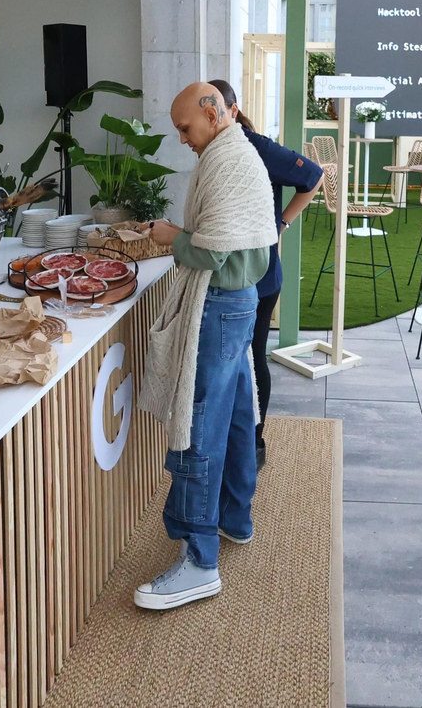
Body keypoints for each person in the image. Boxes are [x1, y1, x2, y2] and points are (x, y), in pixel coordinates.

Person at [133, 83, 277, 610]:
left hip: (220, 303)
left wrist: (173, 237)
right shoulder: (235, 151)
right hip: (238, 303)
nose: (182, 139)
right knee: (237, 414)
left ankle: (199, 561)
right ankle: (235, 518)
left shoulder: (229, 159)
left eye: (185, 128)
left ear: (213, 114)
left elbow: (214, 251)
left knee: (198, 426)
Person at [207, 79, 322, 469]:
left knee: (254, 355)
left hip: (262, 274)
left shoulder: (255, 146)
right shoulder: (213, 149)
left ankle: (254, 443)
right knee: (235, 359)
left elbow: (314, 176)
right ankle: (236, 438)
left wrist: (282, 223)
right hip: (233, 273)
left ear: (231, 111)